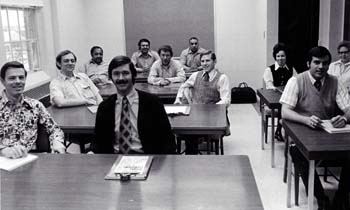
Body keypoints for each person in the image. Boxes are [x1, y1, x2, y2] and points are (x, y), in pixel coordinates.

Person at [280, 46, 350, 210]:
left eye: (325, 63)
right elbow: (285, 112)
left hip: (326, 134)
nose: (321, 67)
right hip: (301, 133)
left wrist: (344, 117)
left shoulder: (335, 81)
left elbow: (348, 108)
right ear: (308, 63)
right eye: (316, 63)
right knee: (298, 153)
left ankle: (341, 198)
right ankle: (322, 198)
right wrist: (305, 120)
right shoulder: (296, 81)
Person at [92, 55, 176, 154]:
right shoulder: (104, 107)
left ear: (134, 75)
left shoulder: (153, 103)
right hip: (114, 160)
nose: (121, 78)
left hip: (147, 158)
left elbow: (168, 141)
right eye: (116, 74)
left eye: (125, 73)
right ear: (111, 77)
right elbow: (98, 142)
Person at [0, 61, 66, 158]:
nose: (18, 81)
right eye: (12, 78)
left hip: (32, 160)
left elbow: (55, 129)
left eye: (21, 77)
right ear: (2, 81)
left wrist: (57, 142)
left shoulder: (35, 106)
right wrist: (2, 150)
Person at [174, 51, 230, 154]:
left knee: (192, 134)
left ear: (214, 61)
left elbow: (226, 100)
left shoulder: (222, 78)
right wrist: (178, 99)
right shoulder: (195, 75)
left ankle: (196, 155)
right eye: (202, 61)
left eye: (208, 60)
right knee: (186, 130)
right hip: (196, 115)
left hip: (212, 116)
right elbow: (184, 86)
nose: (205, 63)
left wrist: (212, 109)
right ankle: (191, 157)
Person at [263, 43, 297, 142]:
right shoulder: (269, 70)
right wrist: (276, 89)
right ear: (275, 57)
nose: (280, 58)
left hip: (288, 97)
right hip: (275, 98)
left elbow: (296, 81)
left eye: (283, 56)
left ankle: (283, 130)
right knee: (282, 107)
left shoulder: (291, 69)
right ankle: (280, 130)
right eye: (278, 56)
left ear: (286, 56)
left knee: (291, 106)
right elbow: (269, 86)